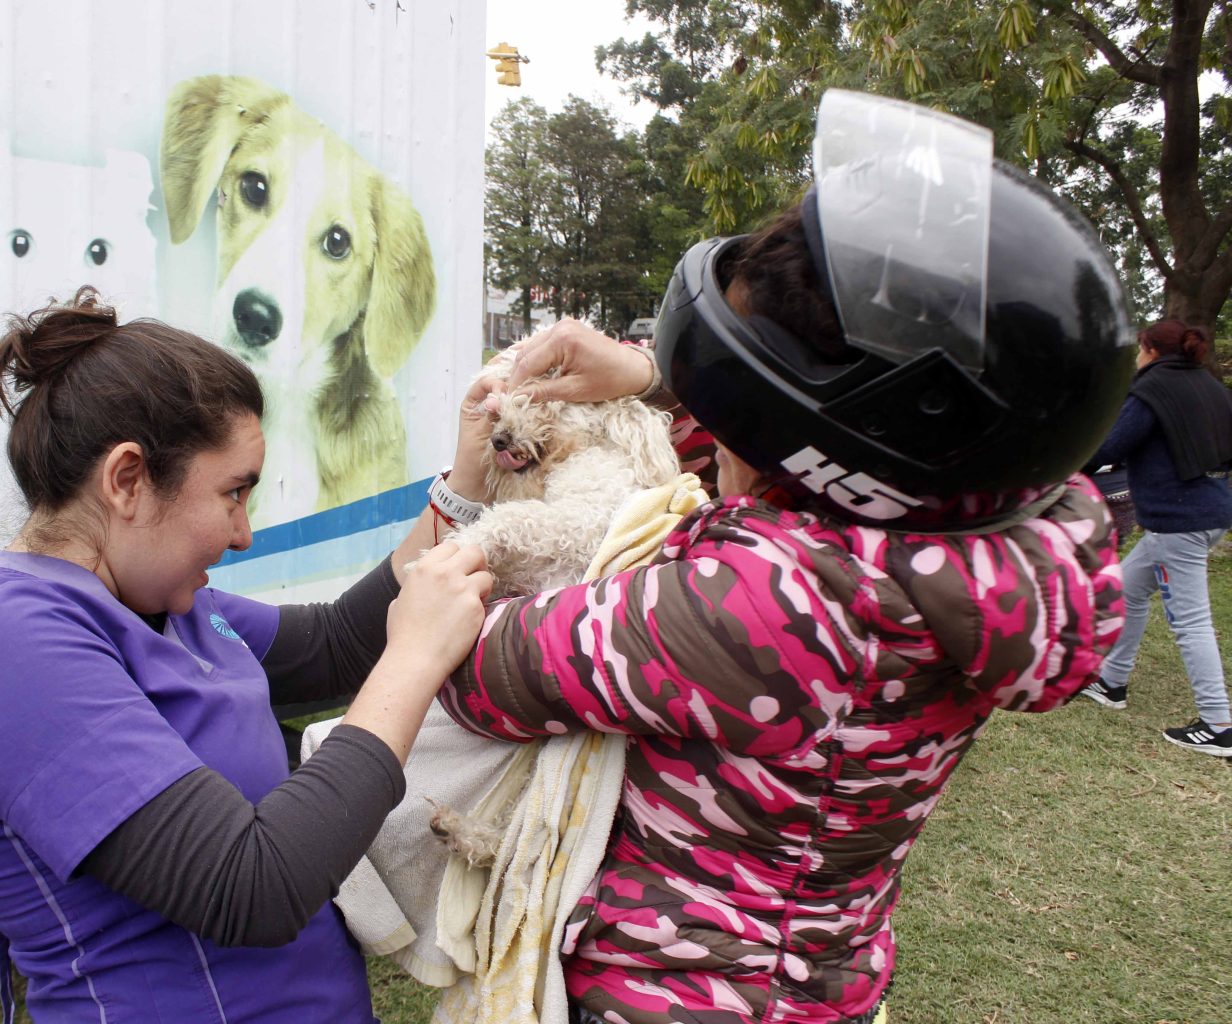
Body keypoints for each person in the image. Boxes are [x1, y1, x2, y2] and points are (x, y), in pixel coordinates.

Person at [434, 91, 1136, 1024]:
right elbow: (822, 465)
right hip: (815, 976)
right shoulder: (981, 548)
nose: (722, 418)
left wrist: (460, 497)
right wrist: (656, 375)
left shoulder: (766, 608)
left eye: (744, 387)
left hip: (672, 997)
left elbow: (476, 670)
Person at [0, 286, 497, 1022]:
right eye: (233, 493)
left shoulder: (161, 607)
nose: (243, 533)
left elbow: (339, 643)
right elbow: (252, 887)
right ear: (127, 480)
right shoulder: (3, 650)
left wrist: (467, 485)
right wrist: (414, 661)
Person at [1076, 319, 1232, 755]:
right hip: (1212, 511)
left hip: (1178, 521)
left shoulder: (1153, 388)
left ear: (1151, 350)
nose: (1137, 357)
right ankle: (1111, 682)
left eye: (1140, 349)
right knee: (1128, 589)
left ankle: (1218, 723)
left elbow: (1109, 446)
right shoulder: (1211, 388)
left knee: (1190, 621)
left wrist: (1065, 465)